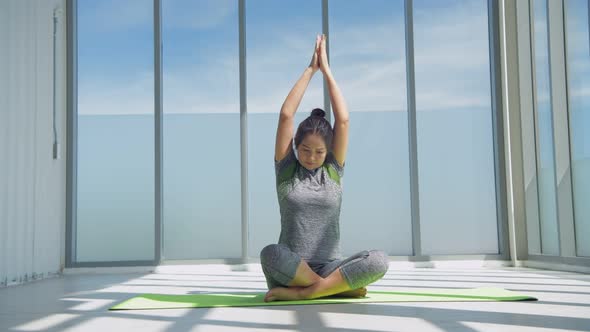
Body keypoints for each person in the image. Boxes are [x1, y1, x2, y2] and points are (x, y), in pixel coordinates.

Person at [260, 34, 389, 302]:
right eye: (305, 150)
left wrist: (327, 71)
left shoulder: (333, 171)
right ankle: (330, 288)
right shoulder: (287, 172)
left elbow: (342, 120)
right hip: (290, 269)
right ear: (296, 147)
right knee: (270, 253)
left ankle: (304, 294)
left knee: (379, 261)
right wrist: (311, 69)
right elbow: (286, 115)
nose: (311, 157)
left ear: (328, 152)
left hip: (332, 267)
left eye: (319, 152)